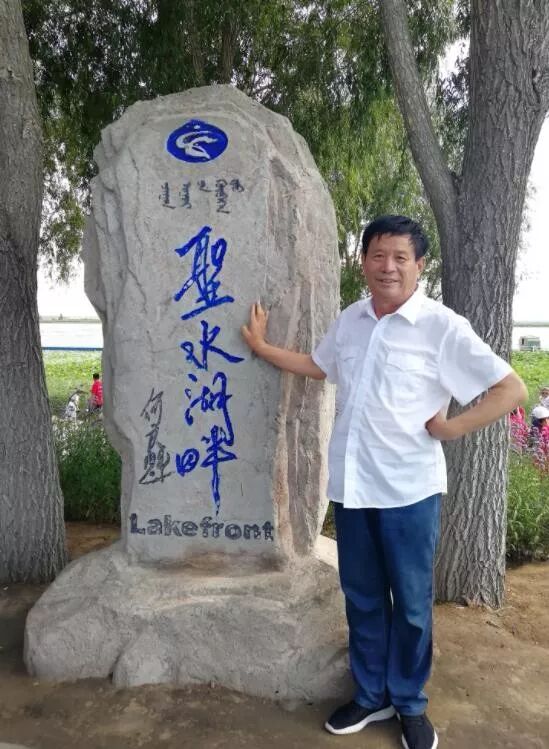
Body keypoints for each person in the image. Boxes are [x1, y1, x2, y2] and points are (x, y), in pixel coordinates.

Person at [241, 215, 527, 749]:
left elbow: (510, 389)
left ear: (420, 266)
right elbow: (319, 365)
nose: (387, 266)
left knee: (413, 604)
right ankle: (371, 695)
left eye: (400, 257)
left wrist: (450, 428)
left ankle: (410, 702)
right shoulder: (352, 319)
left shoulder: (441, 327)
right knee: (363, 596)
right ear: (364, 261)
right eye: (378, 255)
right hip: (353, 486)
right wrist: (262, 347)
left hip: (408, 490)